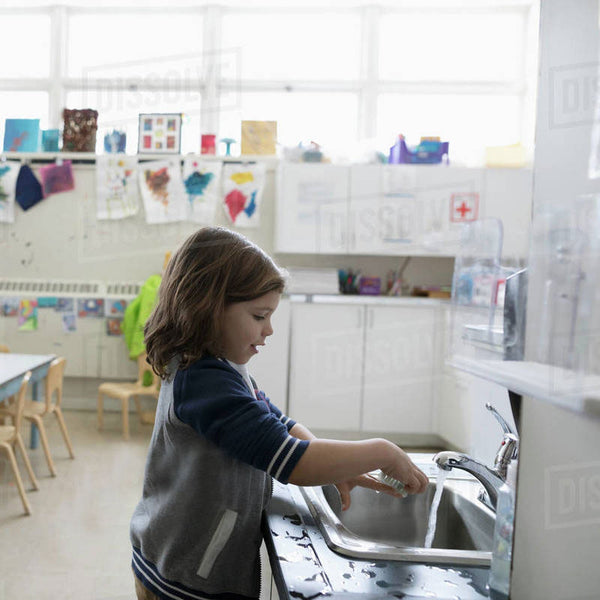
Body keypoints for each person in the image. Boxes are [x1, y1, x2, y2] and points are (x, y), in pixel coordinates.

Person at [130, 226, 429, 600]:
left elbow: (277, 424)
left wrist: (339, 465)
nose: (269, 329)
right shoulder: (205, 382)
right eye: (259, 316)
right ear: (206, 308)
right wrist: (383, 451)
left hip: (178, 562)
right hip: (183, 578)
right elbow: (292, 463)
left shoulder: (219, 367)